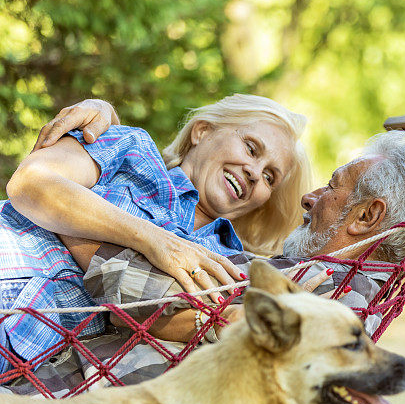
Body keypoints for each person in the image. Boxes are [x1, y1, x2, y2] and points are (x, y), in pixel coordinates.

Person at [1, 130, 405, 395]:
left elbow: (140, 291)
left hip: (50, 394)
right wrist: (107, 130)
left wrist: (75, 212)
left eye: (332, 186)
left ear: (368, 216)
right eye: (251, 148)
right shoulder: (292, 276)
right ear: (202, 130)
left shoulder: (321, 296)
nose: (309, 198)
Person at [0, 95, 311, 374]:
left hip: (20, 347)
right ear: (202, 131)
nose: (255, 173)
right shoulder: (133, 149)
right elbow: (29, 185)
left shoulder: (229, 264)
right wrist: (154, 239)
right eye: (251, 147)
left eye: (270, 177)